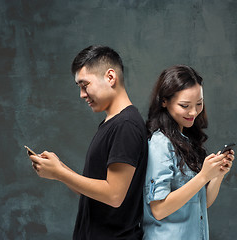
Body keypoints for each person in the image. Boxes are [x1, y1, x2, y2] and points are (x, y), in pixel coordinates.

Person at [29, 45, 148, 240]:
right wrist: (60, 170)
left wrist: (59, 172)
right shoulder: (111, 123)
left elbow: (114, 195)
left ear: (110, 77)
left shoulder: (126, 125)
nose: (82, 95)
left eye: (85, 85)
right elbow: (94, 190)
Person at [142, 65, 235, 240]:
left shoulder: (186, 140)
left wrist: (217, 174)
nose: (193, 112)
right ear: (164, 101)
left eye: (199, 104)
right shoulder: (160, 144)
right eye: (185, 106)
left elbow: (201, 204)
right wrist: (203, 176)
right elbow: (159, 210)